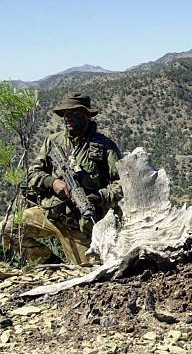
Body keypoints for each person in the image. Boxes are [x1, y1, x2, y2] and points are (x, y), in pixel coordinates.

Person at [2, 93, 122, 265]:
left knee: (88, 271)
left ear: (87, 115)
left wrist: (98, 197)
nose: (68, 117)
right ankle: (49, 264)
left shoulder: (105, 147)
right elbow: (32, 174)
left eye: (74, 113)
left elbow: (121, 184)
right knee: (8, 229)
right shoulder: (53, 142)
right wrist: (52, 182)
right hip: (51, 214)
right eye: (65, 113)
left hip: (80, 225)